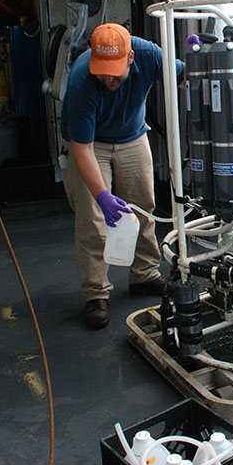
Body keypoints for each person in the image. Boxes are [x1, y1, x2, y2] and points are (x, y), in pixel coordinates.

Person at [61, 23, 184, 329]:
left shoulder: (149, 55)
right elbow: (83, 149)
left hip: (132, 136)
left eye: (114, 70)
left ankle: (144, 274)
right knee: (93, 219)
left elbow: (184, 77)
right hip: (94, 144)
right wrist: (102, 196)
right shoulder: (81, 80)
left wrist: (199, 56)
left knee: (143, 207)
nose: (107, 77)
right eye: (102, 70)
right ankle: (96, 293)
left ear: (130, 58)